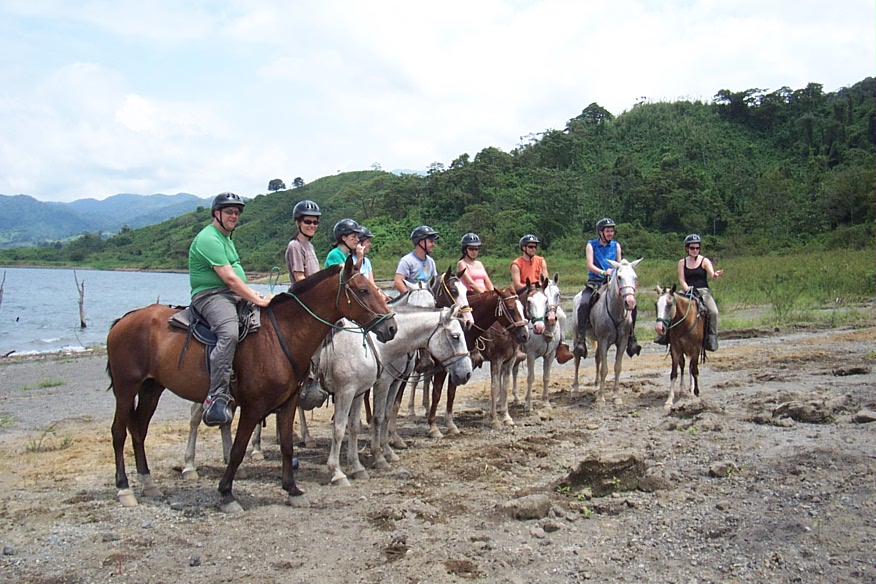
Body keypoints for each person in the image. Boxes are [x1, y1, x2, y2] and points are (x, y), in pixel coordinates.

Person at [189, 192, 274, 427]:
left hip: (232, 294)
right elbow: (229, 279)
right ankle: (216, 395)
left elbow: (237, 280)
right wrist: (255, 298)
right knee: (229, 333)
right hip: (210, 295)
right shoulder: (209, 238)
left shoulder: (226, 239)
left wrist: (253, 294)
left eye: (236, 213)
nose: (233, 216)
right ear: (216, 213)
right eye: (229, 212)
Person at [575, 218, 642, 358]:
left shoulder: (616, 246)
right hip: (595, 281)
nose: (610, 233)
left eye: (612, 231)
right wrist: (603, 272)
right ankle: (581, 338)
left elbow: (620, 265)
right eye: (608, 231)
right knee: (584, 302)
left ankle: (631, 336)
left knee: (632, 304)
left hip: (612, 282)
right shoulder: (591, 245)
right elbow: (589, 265)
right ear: (601, 232)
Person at [510, 234, 572, 363]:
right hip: (524, 294)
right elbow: (517, 284)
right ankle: (515, 348)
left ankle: (561, 345)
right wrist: (532, 291)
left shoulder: (541, 261)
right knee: (516, 319)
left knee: (562, 316)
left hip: (540, 295)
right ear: (523, 248)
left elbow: (545, 280)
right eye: (530, 246)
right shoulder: (516, 264)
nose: (533, 249)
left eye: (535, 247)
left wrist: (540, 292)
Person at [660, 233, 723, 351]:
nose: (695, 250)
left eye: (697, 248)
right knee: (670, 305)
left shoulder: (704, 261)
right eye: (692, 248)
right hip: (686, 290)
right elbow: (682, 279)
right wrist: (687, 288)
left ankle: (711, 338)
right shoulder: (682, 262)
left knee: (713, 312)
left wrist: (716, 275)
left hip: (702, 291)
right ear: (687, 248)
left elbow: (712, 276)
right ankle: (664, 335)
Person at [394, 225, 439, 294]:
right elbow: (398, 282)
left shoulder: (431, 262)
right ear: (421, 243)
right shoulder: (406, 261)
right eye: (431, 241)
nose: (433, 244)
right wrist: (409, 296)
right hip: (411, 300)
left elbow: (435, 283)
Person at [285, 199, 321, 284]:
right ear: (298, 223)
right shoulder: (295, 246)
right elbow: (300, 278)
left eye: (315, 222)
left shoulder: (310, 246)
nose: (312, 225)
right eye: (307, 222)